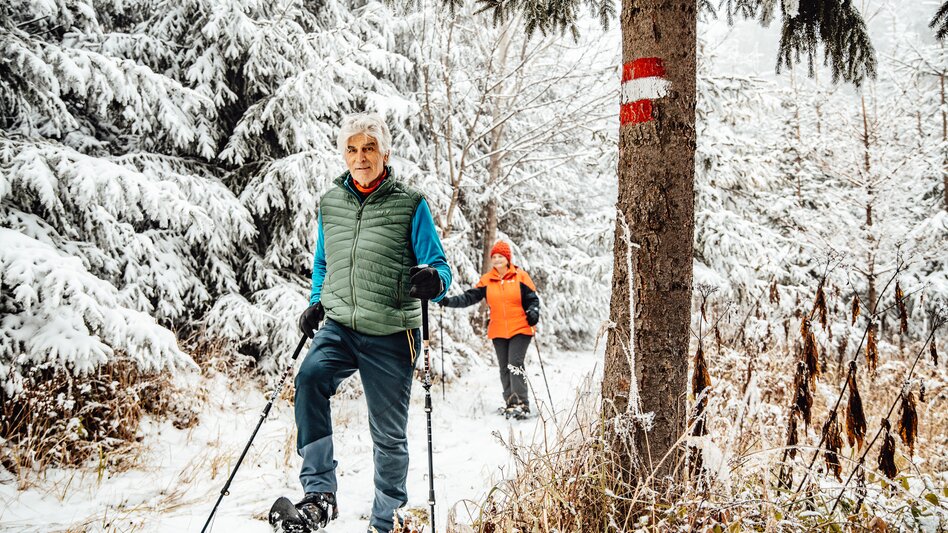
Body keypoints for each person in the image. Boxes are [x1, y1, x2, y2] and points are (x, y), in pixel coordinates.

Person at [290, 112, 451, 533]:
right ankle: (319, 494)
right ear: (344, 154)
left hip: (392, 333)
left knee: (388, 433)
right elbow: (323, 261)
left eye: (369, 148)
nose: (360, 157)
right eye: (352, 148)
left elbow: (439, 266)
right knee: (309, 379)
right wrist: (315, 302)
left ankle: (388, 518)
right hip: (340, 326)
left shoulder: (410, 203)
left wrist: (434, 280)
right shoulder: (331, 202)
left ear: (385, 152)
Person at [437, 241, 539, 419]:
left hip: (520, 327)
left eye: (500, 256)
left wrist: (533, 312)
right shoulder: (487, 280)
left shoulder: (520, 276)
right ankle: (511, 402)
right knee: (504, 368)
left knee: (515, 364)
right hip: (498, 330)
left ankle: (523, 404)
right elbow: (469, 298)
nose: (497, 259)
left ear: (507, 259)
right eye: (494, 257)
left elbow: (532, 299)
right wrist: (447, 301)